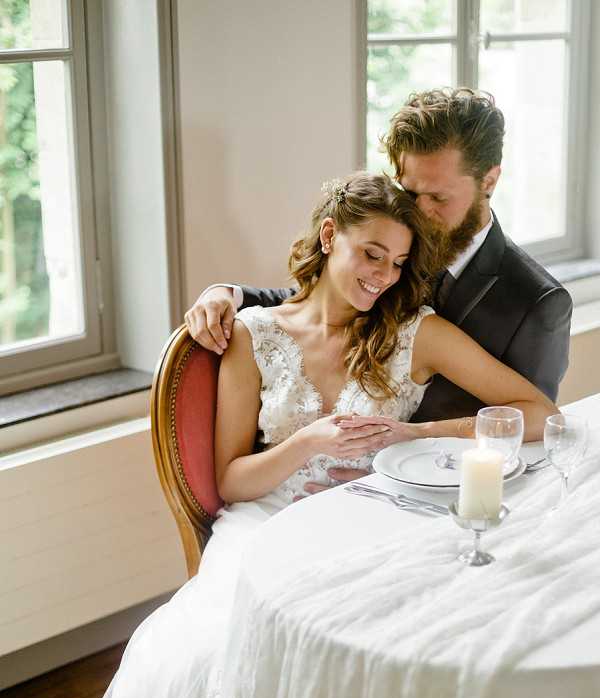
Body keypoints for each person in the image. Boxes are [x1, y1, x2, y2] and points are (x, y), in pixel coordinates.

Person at [0, 172, 557, 698]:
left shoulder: (417, 332)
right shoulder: (255, 336)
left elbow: (537, 410)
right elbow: (232, 479)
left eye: (395, 264)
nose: (382, 278)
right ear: (330, 237)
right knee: (194, 654)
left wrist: (410, 431)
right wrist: (310, 443)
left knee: (377, 656)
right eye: (370, 255)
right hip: (265, 520)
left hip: (374, 521)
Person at [185, 88, 572, 489]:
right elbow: (321, 307)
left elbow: (527, 437)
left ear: (489, 180)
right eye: (410, 193)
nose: (419, 213)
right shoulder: (395, 242)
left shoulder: (537, 303)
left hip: (442, 491)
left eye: (438, 197)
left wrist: (403, 459)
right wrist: (227, 292)